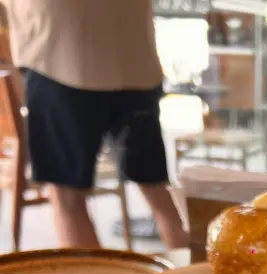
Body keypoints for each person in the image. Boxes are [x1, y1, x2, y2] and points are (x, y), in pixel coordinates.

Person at [5, 0, 188, 250]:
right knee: (156, 188)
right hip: (135, 57)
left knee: (67, 200)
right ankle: (193, 271)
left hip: (60, 55)